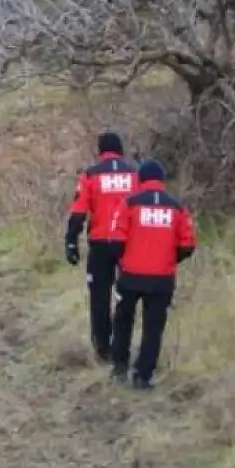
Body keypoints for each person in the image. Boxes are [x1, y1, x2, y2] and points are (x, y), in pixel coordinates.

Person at [107, 158, 197, 390]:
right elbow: (188, 244)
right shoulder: (176, 207)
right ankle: (143, 376)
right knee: (153, 328)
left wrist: (122, 260)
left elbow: (115, 239)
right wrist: (170, 259)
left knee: (123, 321)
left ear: (141, 179)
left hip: (130, 276)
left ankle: (119, 366)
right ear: (162, 181)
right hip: (162, 278)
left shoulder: (129, 203)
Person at [64, 131, 140, 364]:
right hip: (128, 243)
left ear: (100, 150)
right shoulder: (134, 174)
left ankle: (102, 348)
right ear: (120, 150)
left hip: (100, 242)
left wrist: (71, 240)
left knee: (100, 297)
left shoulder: (91, 175)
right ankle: (122, 346)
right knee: (126, 296)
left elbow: (79, 211)